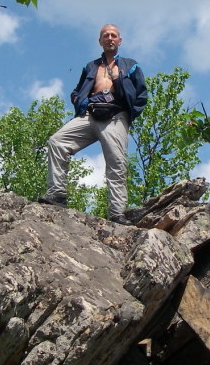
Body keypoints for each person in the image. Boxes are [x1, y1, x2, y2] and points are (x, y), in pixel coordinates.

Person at [39, 24, 147, 225]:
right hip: (90, 113)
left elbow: (142, 95)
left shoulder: (130, 65)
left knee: (116, 162)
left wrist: (127, 112)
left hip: (115, 116)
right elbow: (77, 90)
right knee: (57, 141)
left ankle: (117, 213)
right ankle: (57, 194)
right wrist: (78, 101)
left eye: (113, 35)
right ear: (100, 41)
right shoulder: (91, 66)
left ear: (120, 40)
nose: (110, 38)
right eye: (106, 35)